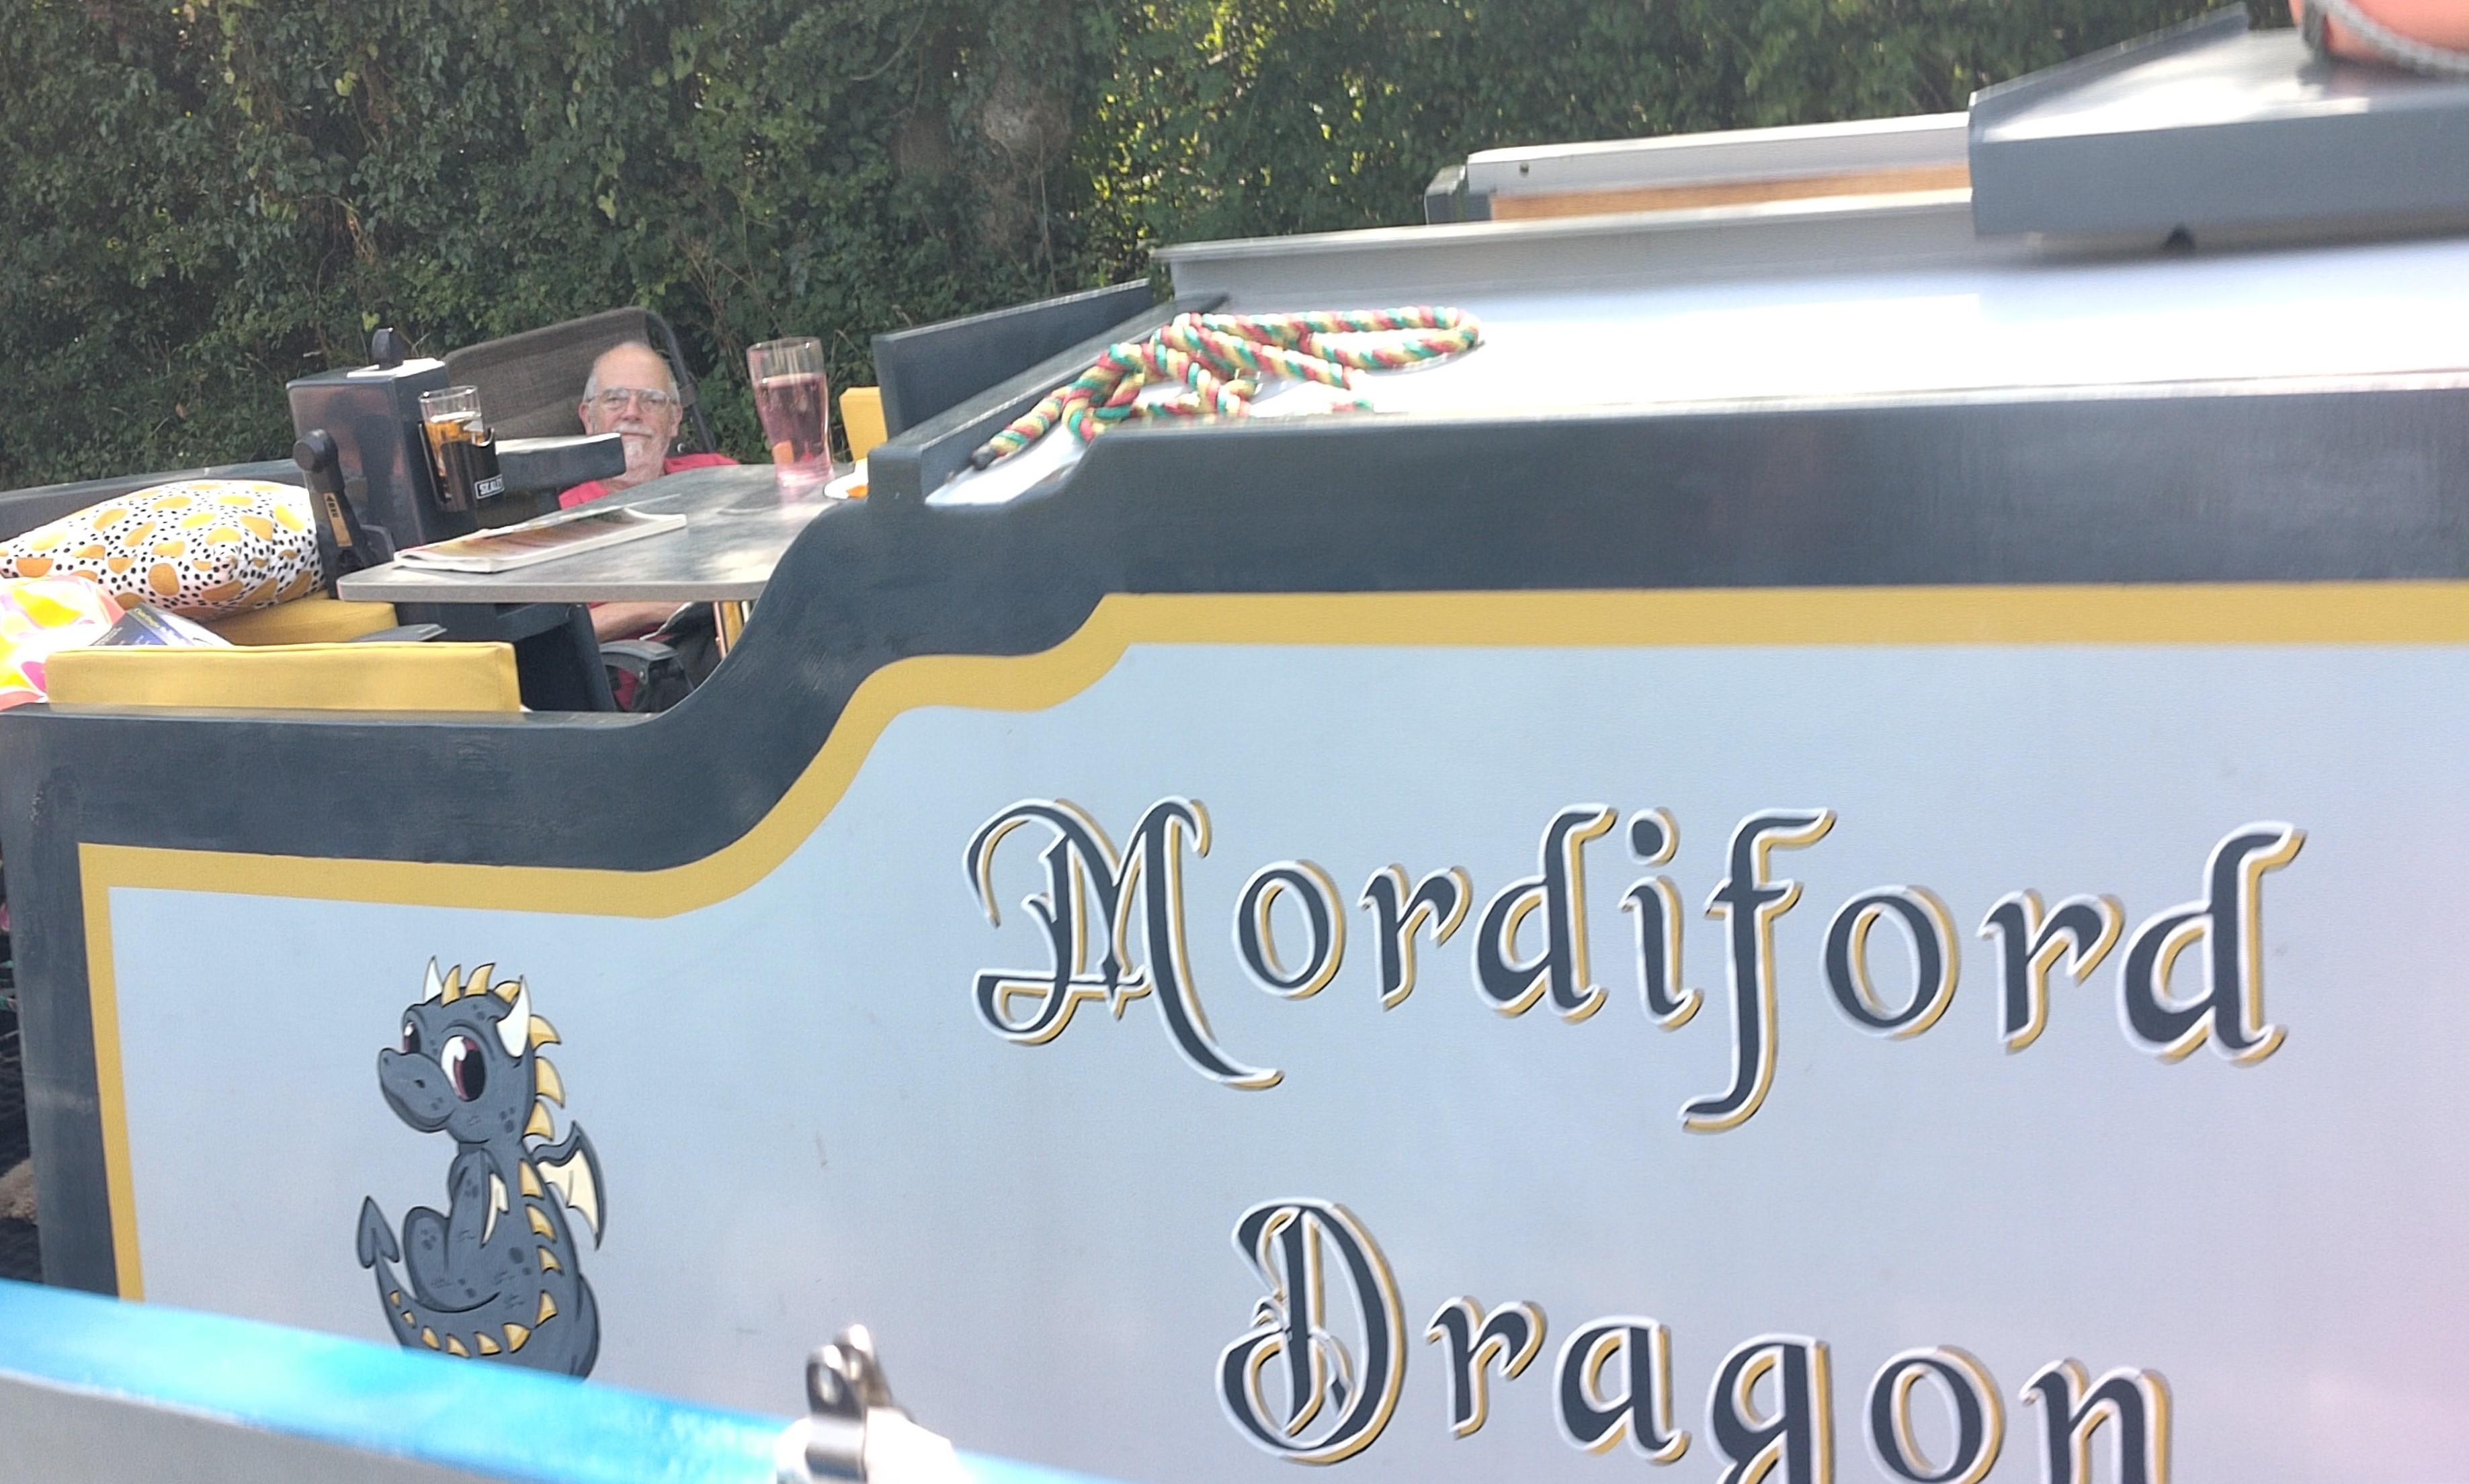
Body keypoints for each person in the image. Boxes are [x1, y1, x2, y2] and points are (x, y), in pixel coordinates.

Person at [560, 341, 735, 641]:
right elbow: (554, 636)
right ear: (588, 418)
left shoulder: (715, 475)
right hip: (651, 665)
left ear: (675, 419)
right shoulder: (566, 518)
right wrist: (650, 607)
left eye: (651, 401)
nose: (632, 413)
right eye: (615, 399)